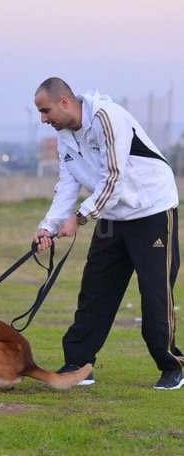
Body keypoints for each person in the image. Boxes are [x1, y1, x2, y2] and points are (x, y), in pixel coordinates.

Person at [32, 76, 183, 391]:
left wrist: (80, 217)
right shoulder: (64, 134)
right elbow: (68, 183)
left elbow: (113, 177)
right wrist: (47, 226)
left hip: (151, 209)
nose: (43, 119)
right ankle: (79, 364)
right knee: (95, 291)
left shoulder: (107, 117)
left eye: (45, 111)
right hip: (112, 215)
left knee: (154, 294)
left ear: (64, 102)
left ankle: (173, 366)